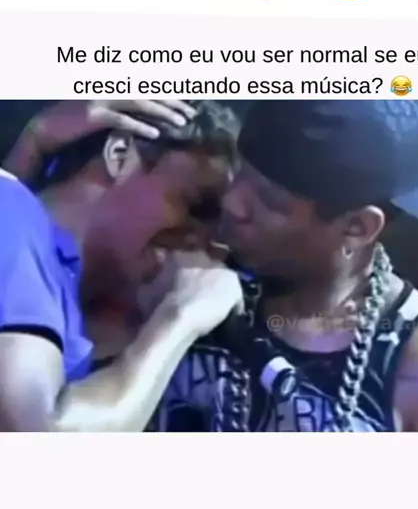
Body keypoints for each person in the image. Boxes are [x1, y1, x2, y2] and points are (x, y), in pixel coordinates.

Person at [153, 99, 418, 432]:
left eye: (270, 200)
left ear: (357, 227)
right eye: (241, 174)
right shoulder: (184, 255)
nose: (232, 203)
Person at [0, 99, 243, 432]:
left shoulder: (58, 287)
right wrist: (180, 318)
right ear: (118, 154)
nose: (204, 242)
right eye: (197, 206)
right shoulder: (14, 214)